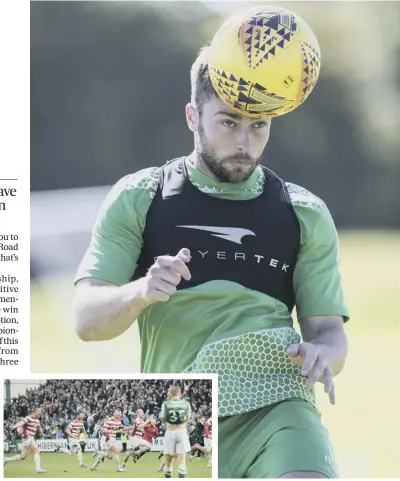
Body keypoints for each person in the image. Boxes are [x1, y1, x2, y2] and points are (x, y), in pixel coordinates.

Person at [73, 7, 349, 478]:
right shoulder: (141, 197)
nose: (244, 140)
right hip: (182, 419)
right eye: (228, 122)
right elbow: (85, 319)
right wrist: (141, 290)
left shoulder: (304, 214)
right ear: (192, 116)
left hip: (278, 407)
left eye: (258, 125)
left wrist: (325, 353)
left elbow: (329, 333)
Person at [160, 386, 191, 478]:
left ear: (170, 393)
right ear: (179, 393)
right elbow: (188, 418)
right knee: (182, 463)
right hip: (182, 431)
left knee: (168, 464)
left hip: (170, 431)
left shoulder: (165, 403)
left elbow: (163, 419)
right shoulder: (186, 403)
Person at [3, 407, 46, 474]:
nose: (40, 413)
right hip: (27, 437)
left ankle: (6, 459)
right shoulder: (28, 418)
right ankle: (38, 469)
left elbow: (39, 427)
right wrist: (15, 426)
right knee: (36, 450)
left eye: (41, 411)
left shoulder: (37, 420)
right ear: (34, 411)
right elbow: (21, 423)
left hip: (31, 438)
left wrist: (42, 433)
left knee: (23, 456)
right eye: (39, 411)